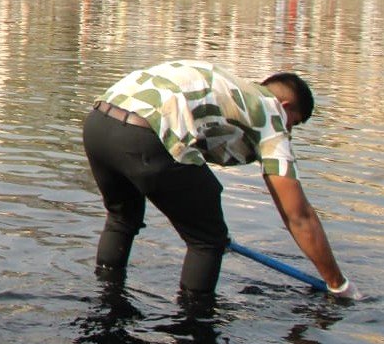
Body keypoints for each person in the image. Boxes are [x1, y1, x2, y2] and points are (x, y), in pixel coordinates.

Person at [83, 60, 359, 300]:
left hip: (98, 122)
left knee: (123, 217)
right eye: (293, 124)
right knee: (207, 241)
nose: (289, 132)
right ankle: (194, 328)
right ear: (286, 106)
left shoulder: (227, 84)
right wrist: (338, 283)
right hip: (146, 134)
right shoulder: (271, 113)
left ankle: (106, 294)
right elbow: (299, 216)